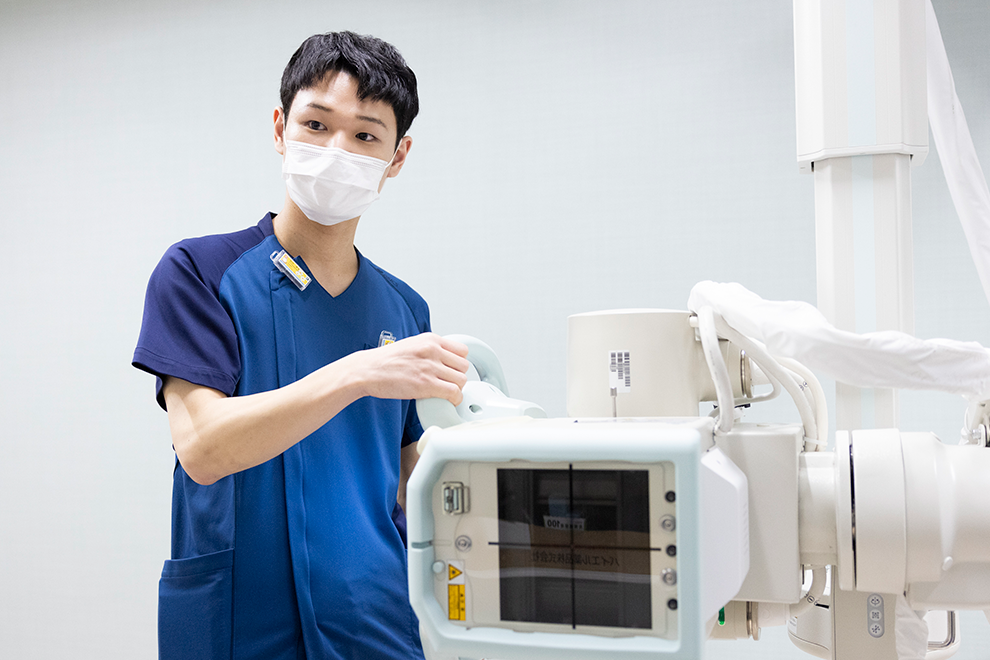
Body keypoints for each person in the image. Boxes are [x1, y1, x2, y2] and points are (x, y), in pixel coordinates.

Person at [132, 31, 469, 660]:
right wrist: (357, 373)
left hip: (372, 624)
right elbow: (204, 447)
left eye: (366, 135)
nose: (338, 149)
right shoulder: (201, 273)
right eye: (317, 124)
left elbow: (406, 482)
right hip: (239, 625)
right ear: (282, 127)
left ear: (397, 157)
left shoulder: (403, 310)